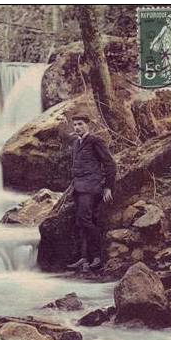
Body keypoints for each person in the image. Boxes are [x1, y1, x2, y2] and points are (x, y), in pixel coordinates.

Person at [67, 113, 117, 272]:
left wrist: (108, 187)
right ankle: (84, 258)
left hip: (91, 188)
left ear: (88, 125)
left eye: (80, 124)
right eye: (75, 125)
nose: (77, 127)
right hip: (78, 188)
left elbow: (110, 164)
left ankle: (97, 257)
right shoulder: (76, 143)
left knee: (85, 220)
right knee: (81, 222)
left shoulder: (95, 141)